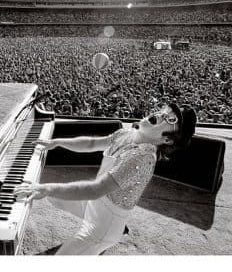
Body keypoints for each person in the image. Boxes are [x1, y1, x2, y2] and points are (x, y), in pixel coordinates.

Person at [16, 103, 197, 255]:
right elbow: (92, 143)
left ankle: (115, 230)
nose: (162, 114)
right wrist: (58, 142)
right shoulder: (126, 134)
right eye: (165, 111)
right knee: (55, 196)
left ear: (168, 140)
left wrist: (45, 188)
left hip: (101, 228)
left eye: (171, 120)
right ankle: (120, 226)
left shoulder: (142, 157)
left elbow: (96, 189)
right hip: (93, 205)